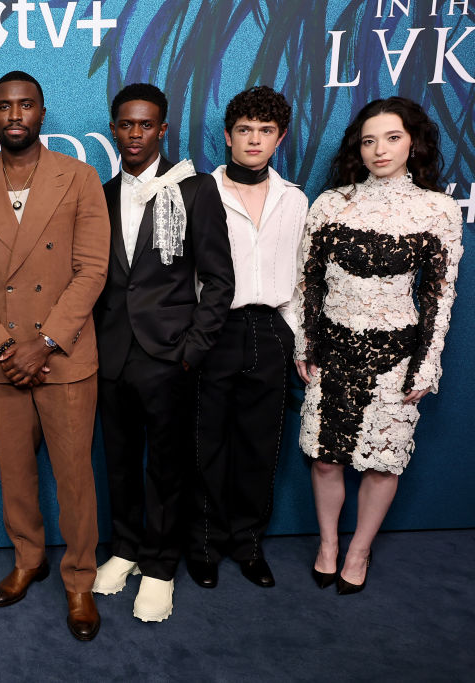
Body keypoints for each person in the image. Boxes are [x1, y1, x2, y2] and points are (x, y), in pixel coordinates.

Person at [0, 71, 109, 641]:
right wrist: (2, 346)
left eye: (25, 105)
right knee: (15, 474)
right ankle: (27, 558)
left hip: (61, 355)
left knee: (74, 478)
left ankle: (79, 580)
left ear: (43, 112)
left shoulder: (80, 179)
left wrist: (41, 343)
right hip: (1, 358)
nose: (14, 115)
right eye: (3, 107)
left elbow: (93, 270)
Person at [294, 96, 462, 594]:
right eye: (369, 141)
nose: (379, 150)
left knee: (381, 461)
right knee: (325, 457)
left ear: (414, 143)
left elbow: (440, 294)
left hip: (397, 356)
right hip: (331, 348)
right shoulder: (331, 203)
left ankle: (359, 551)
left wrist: (426, 365)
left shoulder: (437, 210)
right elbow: (308, 282)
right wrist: (306, 344)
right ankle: (328, 546)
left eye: (392, 138)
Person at [92, 83, 234, 622]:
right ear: (114, 128)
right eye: (126, 124)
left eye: (145, 125)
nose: (134, 134)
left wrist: (192, 351)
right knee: (120, 463)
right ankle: (125, 550)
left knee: (167, 469)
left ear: (162, 129)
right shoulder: (100, 194)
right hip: (110, 353)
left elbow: (220, 281)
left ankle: (159, 566)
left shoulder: (195, 189)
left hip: (169, 354)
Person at [184, 86, 308, 590]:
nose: (254, 139)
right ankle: (205, 545)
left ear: (278, 138)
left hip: (272, 328)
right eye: (244, 130)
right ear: (229, 137)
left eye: (265, 131)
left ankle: (248, 544)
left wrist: (301, 342)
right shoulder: (200, 192)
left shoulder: (294, 199)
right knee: (206, 444)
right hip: (214, 328)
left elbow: (300, 281)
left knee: (261, 447)